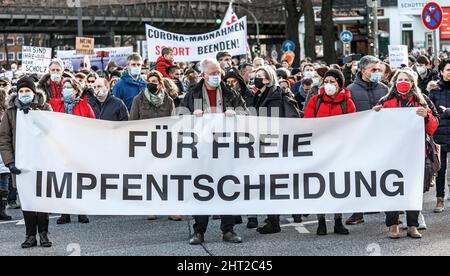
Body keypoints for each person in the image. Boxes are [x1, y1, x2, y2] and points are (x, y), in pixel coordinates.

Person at [181, 58, 246, 245]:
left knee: (227, 188)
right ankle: (199, 231)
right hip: (202, 151)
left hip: (225, 148)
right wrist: (191, 116)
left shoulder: (229, 93)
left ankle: (228, 230)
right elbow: (179, 117)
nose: (217, 76)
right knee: (202, 189)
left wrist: (236, 113)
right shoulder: (193, 94)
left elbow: (246, 114)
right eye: (213, 73)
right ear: (203, 74)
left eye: (219, 72)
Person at [374, 68, 438, 239]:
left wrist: (427, 116)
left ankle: (412, 225)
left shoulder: (422, 101)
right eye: (400, 79)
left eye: (407, 80)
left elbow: (433, 127)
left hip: (414, 154)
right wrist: (375, 114)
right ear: (394, 82)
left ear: (413, 83)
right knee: (391, 189)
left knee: (413, 190)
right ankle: (393, 225)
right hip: (391, 154)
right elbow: (375, 128)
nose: (404, 82)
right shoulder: (385, 101)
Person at [0, 76, 53, 248]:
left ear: (34, 92)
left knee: (42, 199)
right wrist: (9, 162)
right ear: (17, 92)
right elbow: (4, 138)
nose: (24, 94)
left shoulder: (45, 108)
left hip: (42, 161)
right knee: (28, 200)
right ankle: (30, 235)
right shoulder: (10, 113)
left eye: (27, 91)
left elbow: (52, 132)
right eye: (21, 91)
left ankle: (44, 234)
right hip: (21, 165)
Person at [303, 69, 355, 235]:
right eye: (326, 82)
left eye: (333, 82)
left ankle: (338, 221)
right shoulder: (315, 101)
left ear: (340, 85)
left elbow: (353, 125)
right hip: (320, 150)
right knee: (321, 186)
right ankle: (321, 221)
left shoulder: (347, 103)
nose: (329, 85)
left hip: (339, 152)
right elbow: (307, 123)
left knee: (337, 186)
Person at [251, 66, 301, 234]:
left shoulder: (275, 96)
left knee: (271, 184)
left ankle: (274, 221)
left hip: (273, 144)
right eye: (255, 75)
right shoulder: (261, 94)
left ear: (268, 79)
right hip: (264, 143)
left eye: (260, 76)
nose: (256, 78)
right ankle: (272, 218)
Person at [346, 55, 389, 225]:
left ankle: (391, 213)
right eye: (373, 69)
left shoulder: (385, 89)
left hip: (381, 140)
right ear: (363, 70)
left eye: (379, 69)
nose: (377, 72)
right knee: (359, 177)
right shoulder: (350, 90)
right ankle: (358, 213)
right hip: (360, 140)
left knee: (384, 175)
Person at [50, 78, 94, 224]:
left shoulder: (85, 106)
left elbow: (93, 125)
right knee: (63, 180)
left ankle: (81, 211)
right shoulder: (55, 104)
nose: (65, 90)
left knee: (79, 180)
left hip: (79, 148)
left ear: (76, 90)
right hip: (60, 148)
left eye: (69, 87)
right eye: (64, 87)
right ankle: (65, 213)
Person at [429, 58, 450, 212]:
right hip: (440, 134)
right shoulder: (434, 90)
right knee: (440, 169)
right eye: (448, 70)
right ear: (441, 72)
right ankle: (439, 199)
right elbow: (430, 112)